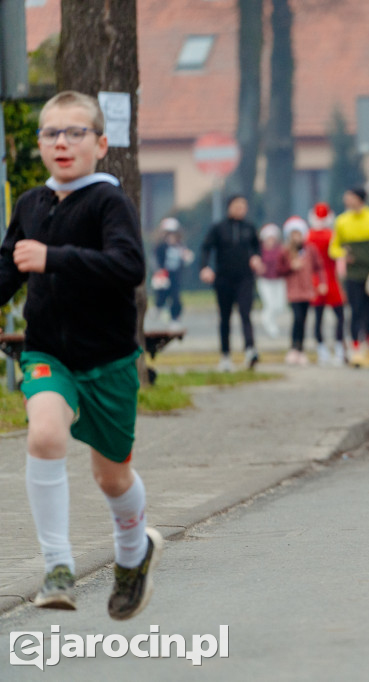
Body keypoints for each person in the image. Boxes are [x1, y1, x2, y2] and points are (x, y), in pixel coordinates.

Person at [0, 90, 162, 618]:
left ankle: (134, 555)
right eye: (51, 133)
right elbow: (9, 269)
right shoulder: (30, 204)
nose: (62, 142)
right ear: (40, 145)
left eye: (75, 133)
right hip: (49, 352)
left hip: (110, 361)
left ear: (101, 143)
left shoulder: (109, 201)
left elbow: (127, 267)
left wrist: (54, 259)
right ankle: (57, 567)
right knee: (45, 433)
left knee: (111, 477)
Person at [328, 188, 369, 368]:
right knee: (355, 311)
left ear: (359, 198)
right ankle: (356, 350)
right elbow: (333, 248)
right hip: (353, 274)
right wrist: (342, 254)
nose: (346, 199)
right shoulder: (342, 221)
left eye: (349, 196)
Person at [199, 194, 263, 372]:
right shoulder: (219, 228)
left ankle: (250, 349)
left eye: (244, 205)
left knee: (245, 313)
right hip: (224, 278)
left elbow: (257, 247)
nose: (241, 209)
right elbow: (206, 248)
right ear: (230, 207)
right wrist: (205, 267)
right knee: (225, 318)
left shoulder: (249, 227)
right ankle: (225, 355)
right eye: (238, 205)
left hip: (245, 278)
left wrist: (257, 258)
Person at [279, 217, 326, 365]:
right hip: (293, 291)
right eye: (293, 234)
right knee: (297, 318)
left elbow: (319, 266)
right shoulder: (285, 251)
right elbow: (278, 270)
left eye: (298, 234)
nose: (296, 237)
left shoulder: (310, 249)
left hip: (307, 290)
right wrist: (290, 267)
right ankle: (294, 347)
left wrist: (322, 283)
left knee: (304, 320)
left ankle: (301, 350)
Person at [306, 202, 346, 366]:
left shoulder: (308, 236)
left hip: (315, 279)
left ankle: (322, 350)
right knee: (340, 316)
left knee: (318, 317)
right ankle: (339, 349)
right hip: (331, 278)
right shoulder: (333, 235)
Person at [151, 217, 192, 330]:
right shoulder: (160, 246)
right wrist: (158, 271)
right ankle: (158, 307)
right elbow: (155, 259)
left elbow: (186, 258)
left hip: (175, 276)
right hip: (163, 275)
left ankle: (175, 318)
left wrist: (187, 257)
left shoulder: (180, 246)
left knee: (175, 298)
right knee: (161, 294)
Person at [256, 223, 287, 339]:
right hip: (265, 281)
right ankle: (269, 325)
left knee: (280, 306)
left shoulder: (281, 249)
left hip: (279, 280)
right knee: (270, 305)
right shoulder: (259, 251)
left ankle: (270, 321)